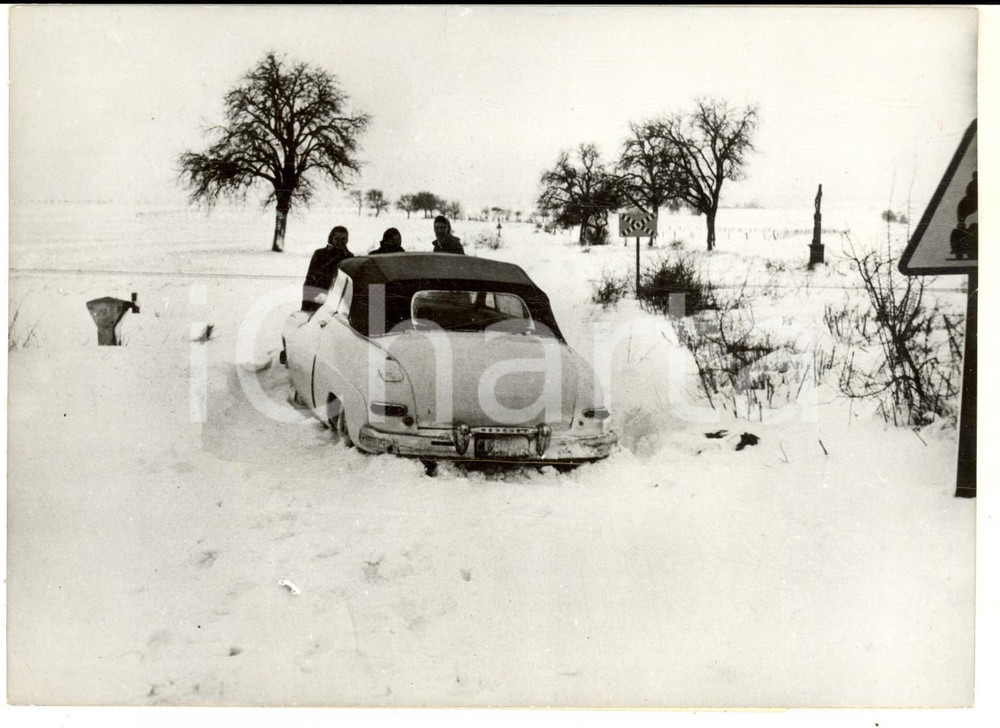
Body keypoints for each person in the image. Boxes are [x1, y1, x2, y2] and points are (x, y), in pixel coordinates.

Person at [302, 226, 353, 312]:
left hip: (337, 300)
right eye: (337, 239)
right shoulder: (319, 254)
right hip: (318, 297)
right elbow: (310, 279)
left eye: (343, 239)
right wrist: (307, 304)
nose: (340, 242)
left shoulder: (349, 257)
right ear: (331, 238)